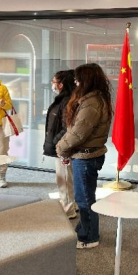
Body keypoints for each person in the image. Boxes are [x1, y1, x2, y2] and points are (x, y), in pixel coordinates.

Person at [56, 63, 112, 250]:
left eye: (78, 79)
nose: (76, 82)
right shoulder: (93, 98)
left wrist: (61, 148)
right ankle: (83, 229)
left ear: (86, 80)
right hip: (84, 155)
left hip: (86, 157)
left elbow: (78, 133)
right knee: (85, 196)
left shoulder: (92, 102)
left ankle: (90, 237)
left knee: (85, 199)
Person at [44, 70, 77, 219]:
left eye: (54, 82)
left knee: (64, 178)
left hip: (63, 147)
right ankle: (72, 205)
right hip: (62, 145)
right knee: (67, 177)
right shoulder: (65, 99)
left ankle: (68, 210)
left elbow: (67, 128)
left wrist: (55, 142)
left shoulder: (67, 101)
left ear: (61, 85)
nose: (52, 84)